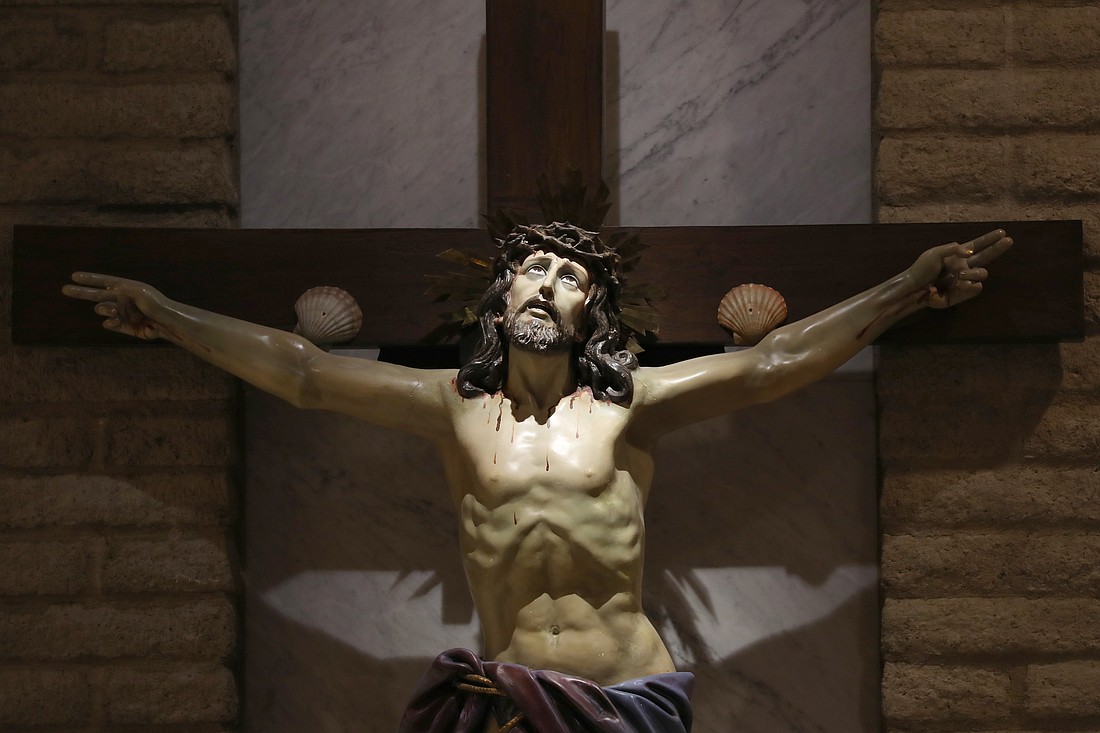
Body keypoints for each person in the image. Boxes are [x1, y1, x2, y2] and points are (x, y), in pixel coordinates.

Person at [64, 223, 1012, 733]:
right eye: (530, 270)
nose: (546, 285)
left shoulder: (632, 404)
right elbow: (304, 373)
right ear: (502, 295)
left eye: (568, 277)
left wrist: (907, 289)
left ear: (589, 309)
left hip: (628, 699)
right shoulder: (451, 406)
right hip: (510, 701)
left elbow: (772, 363)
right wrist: (168, 315)